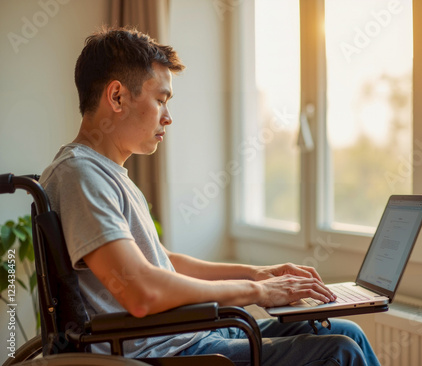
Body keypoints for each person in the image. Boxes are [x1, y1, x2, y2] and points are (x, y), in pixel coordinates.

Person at [40, 26, 380, 366]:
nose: (168, 117)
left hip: (190, 335)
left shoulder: (107, 174)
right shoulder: (79, 175)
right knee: (339, 352)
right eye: (160, 100)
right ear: (117, 97)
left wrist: (255, 274)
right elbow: (141, 292)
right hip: (167, 352)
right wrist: (257, 293)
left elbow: (163, 262)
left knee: (348, 333)